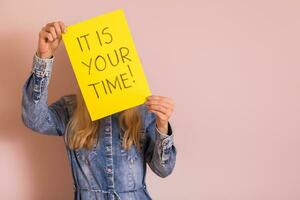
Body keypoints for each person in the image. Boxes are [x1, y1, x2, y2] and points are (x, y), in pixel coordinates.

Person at [21, 21, 177, 200]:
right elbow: (33, 119)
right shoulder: (70, 109)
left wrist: (163, 126)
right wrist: (44, 57)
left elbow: (163, 169)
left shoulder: (145, 111)